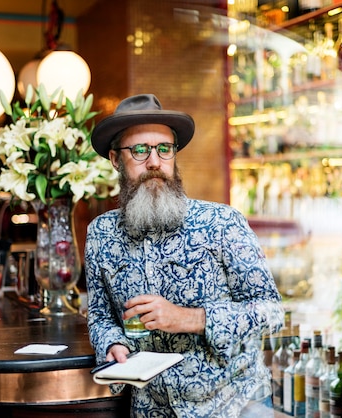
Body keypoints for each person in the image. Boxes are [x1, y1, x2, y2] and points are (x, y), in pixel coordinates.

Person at [85, 94, 284, 417]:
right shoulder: (100, 233)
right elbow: (100, 315)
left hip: (234, 405)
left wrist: (190, 318)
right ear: (114, 159)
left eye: (164, 149)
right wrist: (111, 344)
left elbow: (272, 313)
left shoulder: (221, 223)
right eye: (139, 150)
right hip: (152, 409)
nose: (154, 162)